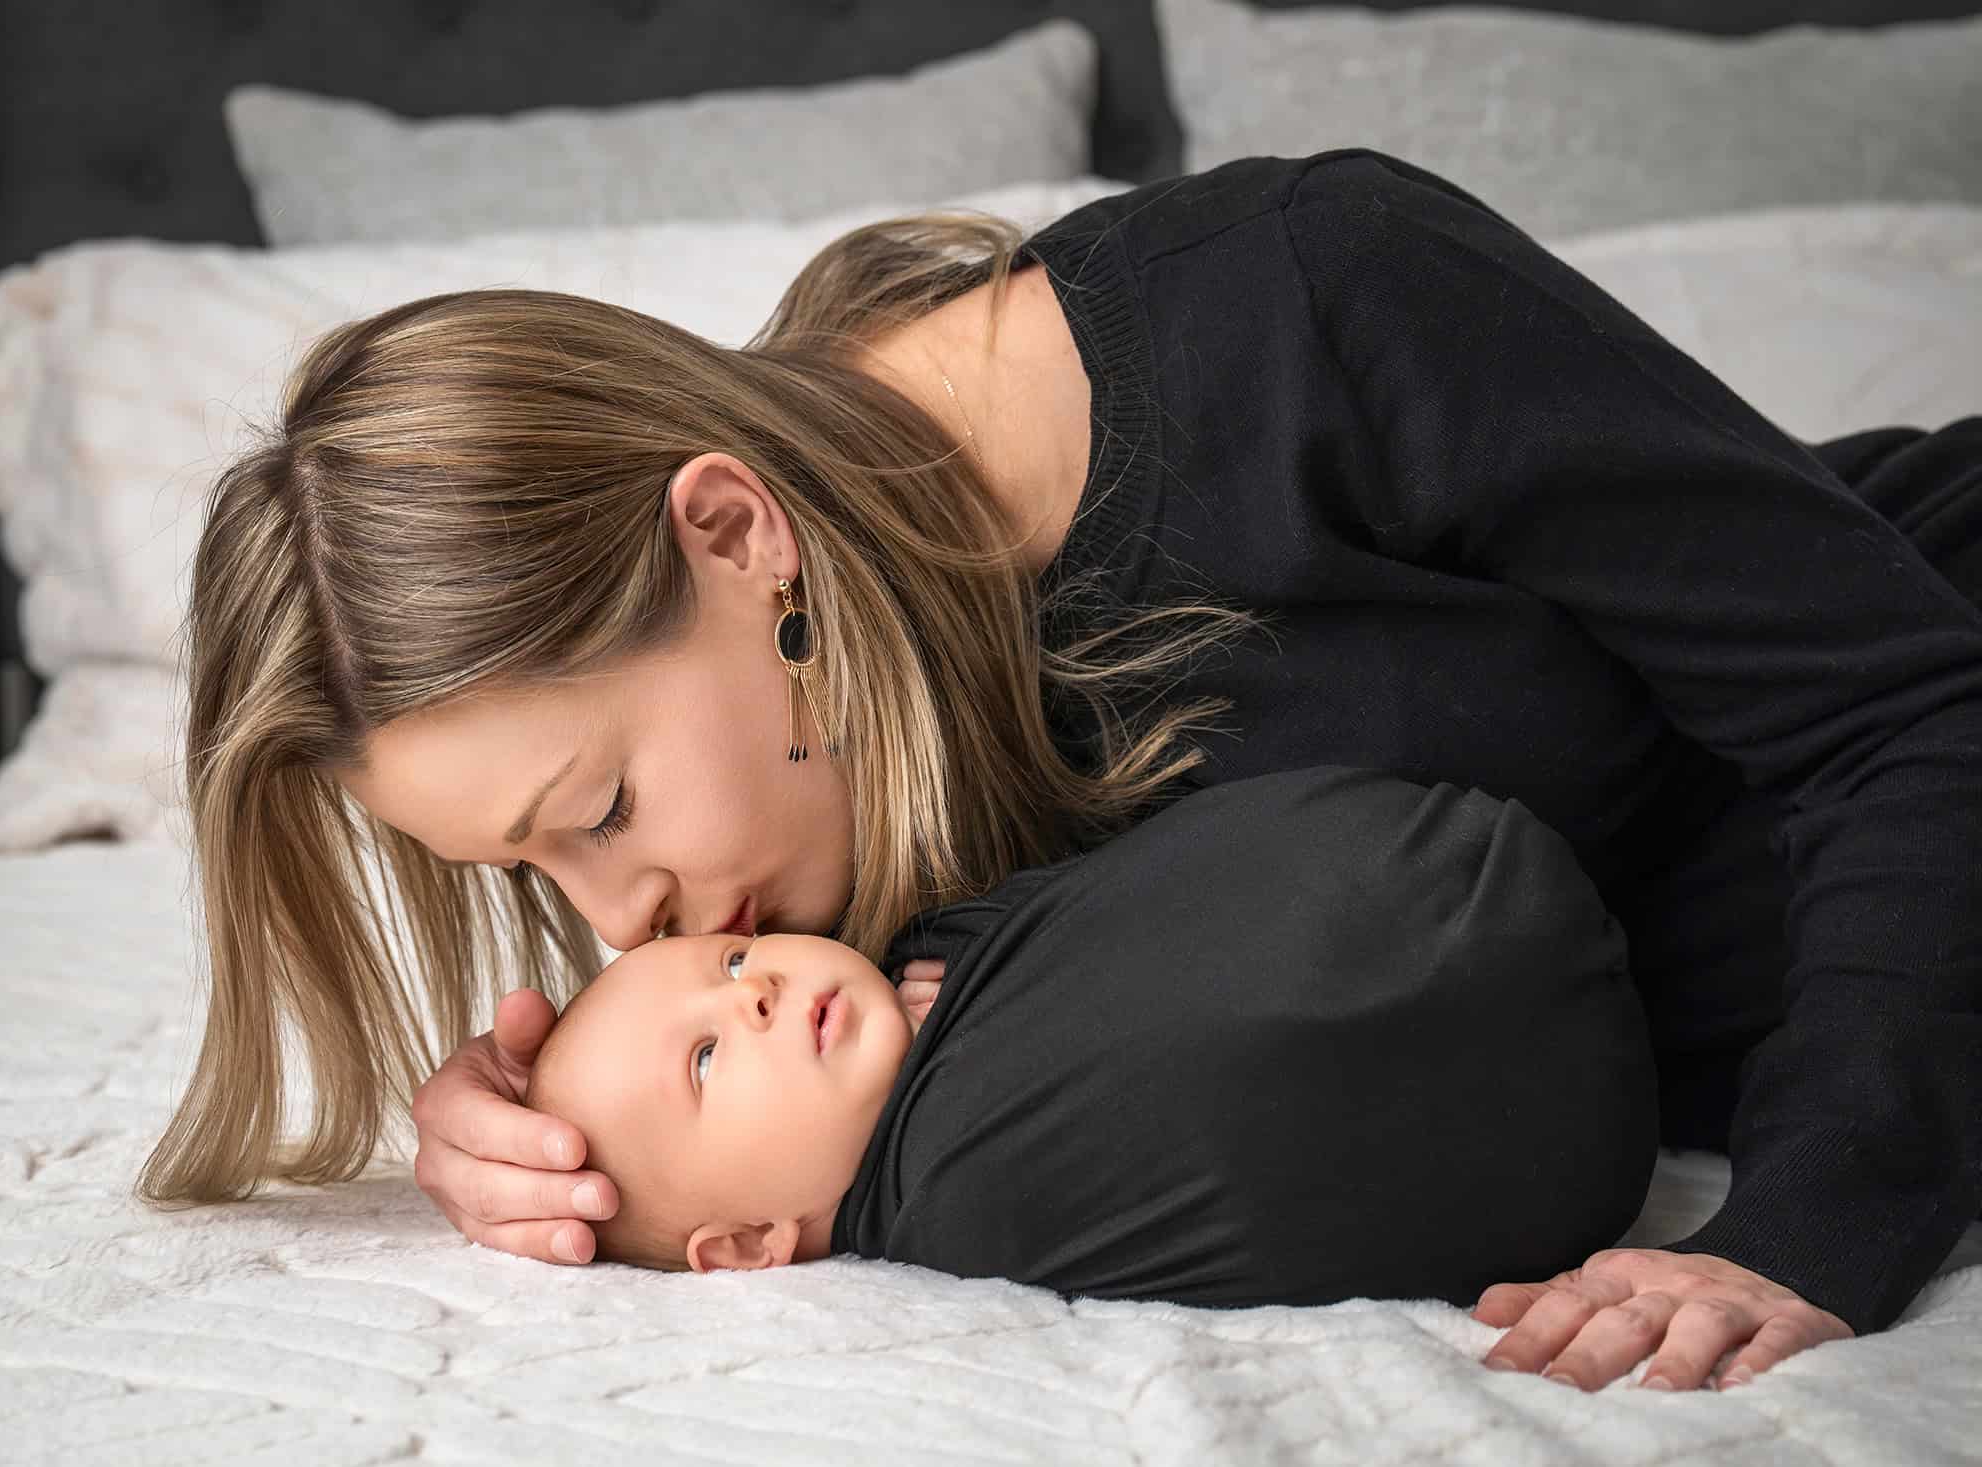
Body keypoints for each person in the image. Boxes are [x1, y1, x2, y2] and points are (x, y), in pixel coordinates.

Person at [140, 147, 1982, 1395]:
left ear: (736, 533)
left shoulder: (1313, 301)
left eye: (603, 815)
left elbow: (1899, 713)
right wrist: (560, 1137)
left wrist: (1810, 1223)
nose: (627, 922)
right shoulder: (794, 832)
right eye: (529, 875)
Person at [522, 766, 1662, 1318]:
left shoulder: (937, 947)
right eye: (707, 1060)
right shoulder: (955, 1204)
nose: (755, 993)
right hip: (1526, 1096)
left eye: (727, 963)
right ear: (745, 1247)